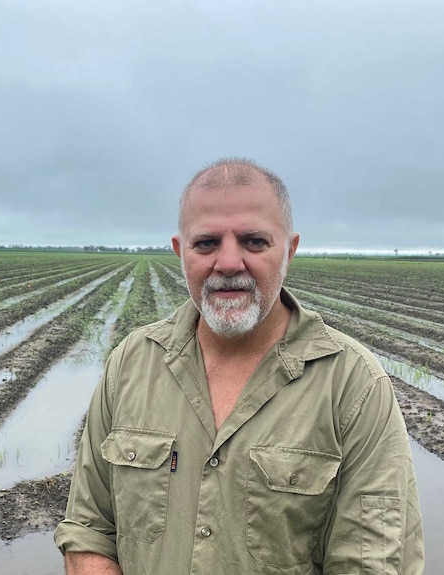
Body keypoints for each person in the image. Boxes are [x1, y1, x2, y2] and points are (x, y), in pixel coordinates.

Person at [54, 158, 424, 574]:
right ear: (181, 252)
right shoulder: (131, 363)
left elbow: (370, 563)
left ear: (290, 249)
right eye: (207, 243)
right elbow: (89, 530)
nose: (228, 263)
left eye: (253, 242)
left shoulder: (353, 385)